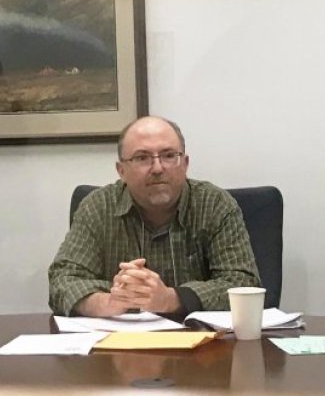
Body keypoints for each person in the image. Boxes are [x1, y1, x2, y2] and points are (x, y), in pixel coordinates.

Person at [48, 116, 261, 317]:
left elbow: (243, 283)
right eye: (142, 158)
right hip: (118, 347)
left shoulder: (214, 205)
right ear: (121, 170)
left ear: (185, 164)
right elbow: (62, 280)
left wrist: (171, 299)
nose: (158, 168)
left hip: (203, 347)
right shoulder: (98, 207)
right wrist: (110, 301)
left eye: (169, 156)